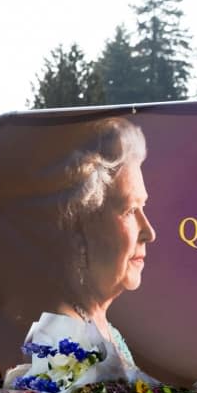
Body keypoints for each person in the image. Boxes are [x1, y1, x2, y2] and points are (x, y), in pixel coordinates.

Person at [48, 115, 156, 369]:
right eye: (130, 210)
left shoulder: (104, 328)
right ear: (80, 226)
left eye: (144, 207)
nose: (149, 232)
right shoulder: (61, 334)